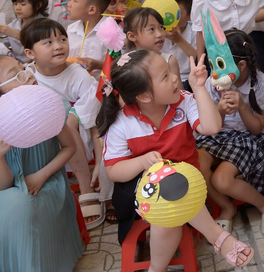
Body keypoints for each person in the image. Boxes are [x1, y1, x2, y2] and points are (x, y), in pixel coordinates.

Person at [99, 49, 255, 267]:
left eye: (170, 71)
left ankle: (157, 268)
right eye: (165, 76)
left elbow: (211, 127)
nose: (175, 77)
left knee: (171, 199)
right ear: (144, 96)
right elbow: (114, 171)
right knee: (165, 202)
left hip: (189, 182)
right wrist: (142, 162)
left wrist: (199, 87)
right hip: (140, 190)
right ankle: (217, 238)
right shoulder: (122, 123)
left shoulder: (184, 101)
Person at [22, 19, 112, 227]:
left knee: (67, 121)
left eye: (62, 39)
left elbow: (96, 125)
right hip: (45, 136)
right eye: (48, 42)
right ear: (30, 53)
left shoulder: (79, 75)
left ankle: (86, 188)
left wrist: (99, 162)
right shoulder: (29, 76)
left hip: (82, 135)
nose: (59, 45)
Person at [0, 55, 83, 272]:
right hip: (13, 187)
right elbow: (5, 185)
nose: (28, 75)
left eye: (25, 68)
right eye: (17, 75)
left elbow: (70, 147)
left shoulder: (47, 106)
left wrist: (41, 175)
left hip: (48, 181)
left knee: (21, 206)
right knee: (14, 203)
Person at [197, 30, 264, 236]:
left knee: (221, 180)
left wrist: (243, 106)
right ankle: (227, 207)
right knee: (197, 165)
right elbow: (210, 126)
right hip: (217, 136)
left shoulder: (262, 83)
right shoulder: (212, 82)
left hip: (248, 140)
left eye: (220, 65)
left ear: (241, 65)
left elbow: (256, 129)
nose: (215, 72)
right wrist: (219, 110)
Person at [66, 0, 113, 75]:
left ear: (91, 9)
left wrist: (99, 65)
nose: (69, 4)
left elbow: (121, 65)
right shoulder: (71, 29)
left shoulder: (112, 34)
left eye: (74, 0)